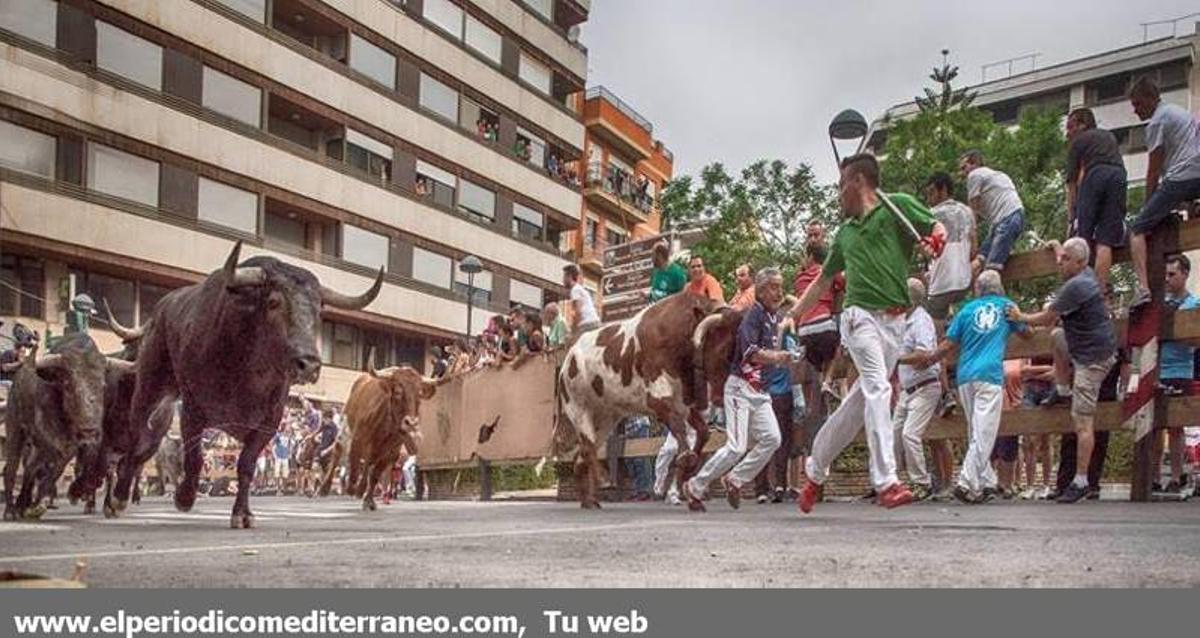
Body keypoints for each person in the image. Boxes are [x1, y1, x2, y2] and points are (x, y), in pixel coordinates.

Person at [793, 153, 946, 513]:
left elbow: (937, 227)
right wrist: (795, 314)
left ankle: (815, 470)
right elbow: (823, 281)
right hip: (858, 317)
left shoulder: (899, 207)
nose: (837, 195)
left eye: (840, 186)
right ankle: (887, 481)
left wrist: (935, 241)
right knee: (879, 387)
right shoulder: (845, 233)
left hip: (895, 324)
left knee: (858, 403)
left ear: (856, 182)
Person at [1007, 237, 1117, 503]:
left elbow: (1047, 317)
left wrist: (1019, 317)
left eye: (1066, 259)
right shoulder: (1085, 272)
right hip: (1084, 350)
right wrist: (1057, 246)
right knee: (1057, 337)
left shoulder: (1077, 286)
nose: (1060, 262)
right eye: (1062, 257)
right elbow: (1065, 257)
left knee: (1083, 421)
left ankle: (1081, 480)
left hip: (1092, 360)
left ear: (1079, 263)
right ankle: (1062, 386)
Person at [912, 270, 1029, 503]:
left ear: (978, 289)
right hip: (990, 375)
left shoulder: (966, 311)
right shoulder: (1007, 307)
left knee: (976, 431)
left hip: (966, 376)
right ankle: (966, 482)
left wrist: (930, 358)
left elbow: (948, 344)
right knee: (984, 432)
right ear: (999, 287)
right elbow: (1027, 333)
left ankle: (986, 482)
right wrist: (1021, 320)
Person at [683, 267, 789, 510]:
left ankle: (735, 478)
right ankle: (696, 486)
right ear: (760, 291)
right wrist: (778, 358)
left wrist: (785, 356)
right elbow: (750, 353)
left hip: (760, 392)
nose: (779, 292)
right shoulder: (753, 316)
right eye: (774, 287)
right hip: (740, 387)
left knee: (772, 439)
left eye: (780, 287)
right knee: (736, 446)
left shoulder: (773, 318)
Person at [1126, 76, 1200, 307]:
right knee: (1183, 212)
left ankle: (1144, 289)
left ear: (1150, 98)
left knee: (1137, 229)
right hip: (1195, 174)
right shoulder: (1178, 112)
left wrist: (1148, 207)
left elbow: (1153, 171)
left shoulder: (1157, 122)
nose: (1135, 111)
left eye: (1138, 104)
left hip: (1181, 177)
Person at [1065, 107, 1127, 294]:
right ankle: (1099, 292)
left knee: (1082, 239)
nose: (1068, 132)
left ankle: (1082, 291)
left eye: (1070, 126)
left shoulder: (1079, 142)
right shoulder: (1107, 137)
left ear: (1083, 125)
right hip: (1119, 176)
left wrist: (1071, 218)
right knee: (1105, 241)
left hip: (1096, 175)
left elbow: (1072, 183)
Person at [890, 278, 941, 501]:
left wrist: (897, 359)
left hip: (925, 385)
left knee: (910, 434)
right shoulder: (903, 320)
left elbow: (924, 354)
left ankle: (922, 482)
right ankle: (892, 482)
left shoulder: (921, 321)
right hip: (908, 389)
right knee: (893, 434)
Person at [1152, 253, 1198, 495]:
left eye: (1173, 274)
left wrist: (1175, 326)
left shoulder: (1195, 304)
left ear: (1185, 274)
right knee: (1155, 424)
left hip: (1181, 370)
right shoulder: (1160, 302)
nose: (1168, 279)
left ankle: (1177, 476)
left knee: (1176, 426)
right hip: (1157, 369)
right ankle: (1154, 475)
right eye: (1166, 274)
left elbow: (1195, 341)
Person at [791, 241, 846, 432]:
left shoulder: (799, 279)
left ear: (810, 256)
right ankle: (829, 381)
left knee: (818, 362)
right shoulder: (829, 272)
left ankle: (824, 389)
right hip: (824, 323)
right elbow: (843, 284)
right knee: (836, 347)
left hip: (805, 330)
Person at [959, 150, 1025, 275]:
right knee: (981, 258)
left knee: (990, 272)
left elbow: (972, 215)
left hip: (1006, 220)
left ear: (975, 164)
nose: (961, 173)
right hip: (1010, 218)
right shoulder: (998, 175)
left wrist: (970, 242)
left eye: (964, 168)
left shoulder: (975, 175)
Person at [922, 172, 976, 320]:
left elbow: (926, 251)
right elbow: (973, 249)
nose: (929, 199)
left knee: (936, 330)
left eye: (932, 192)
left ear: (943, 189)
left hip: (941, 283)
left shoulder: (930, 215)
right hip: (964, 281)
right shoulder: (968, 212)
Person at [563, 264, 600, 336]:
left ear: (569, 277)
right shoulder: (580, 289)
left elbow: (578, 312)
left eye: (564, 277)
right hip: (593, 322)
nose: (563, 280)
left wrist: (573, 330)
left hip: (587, 324)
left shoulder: (575, 290)